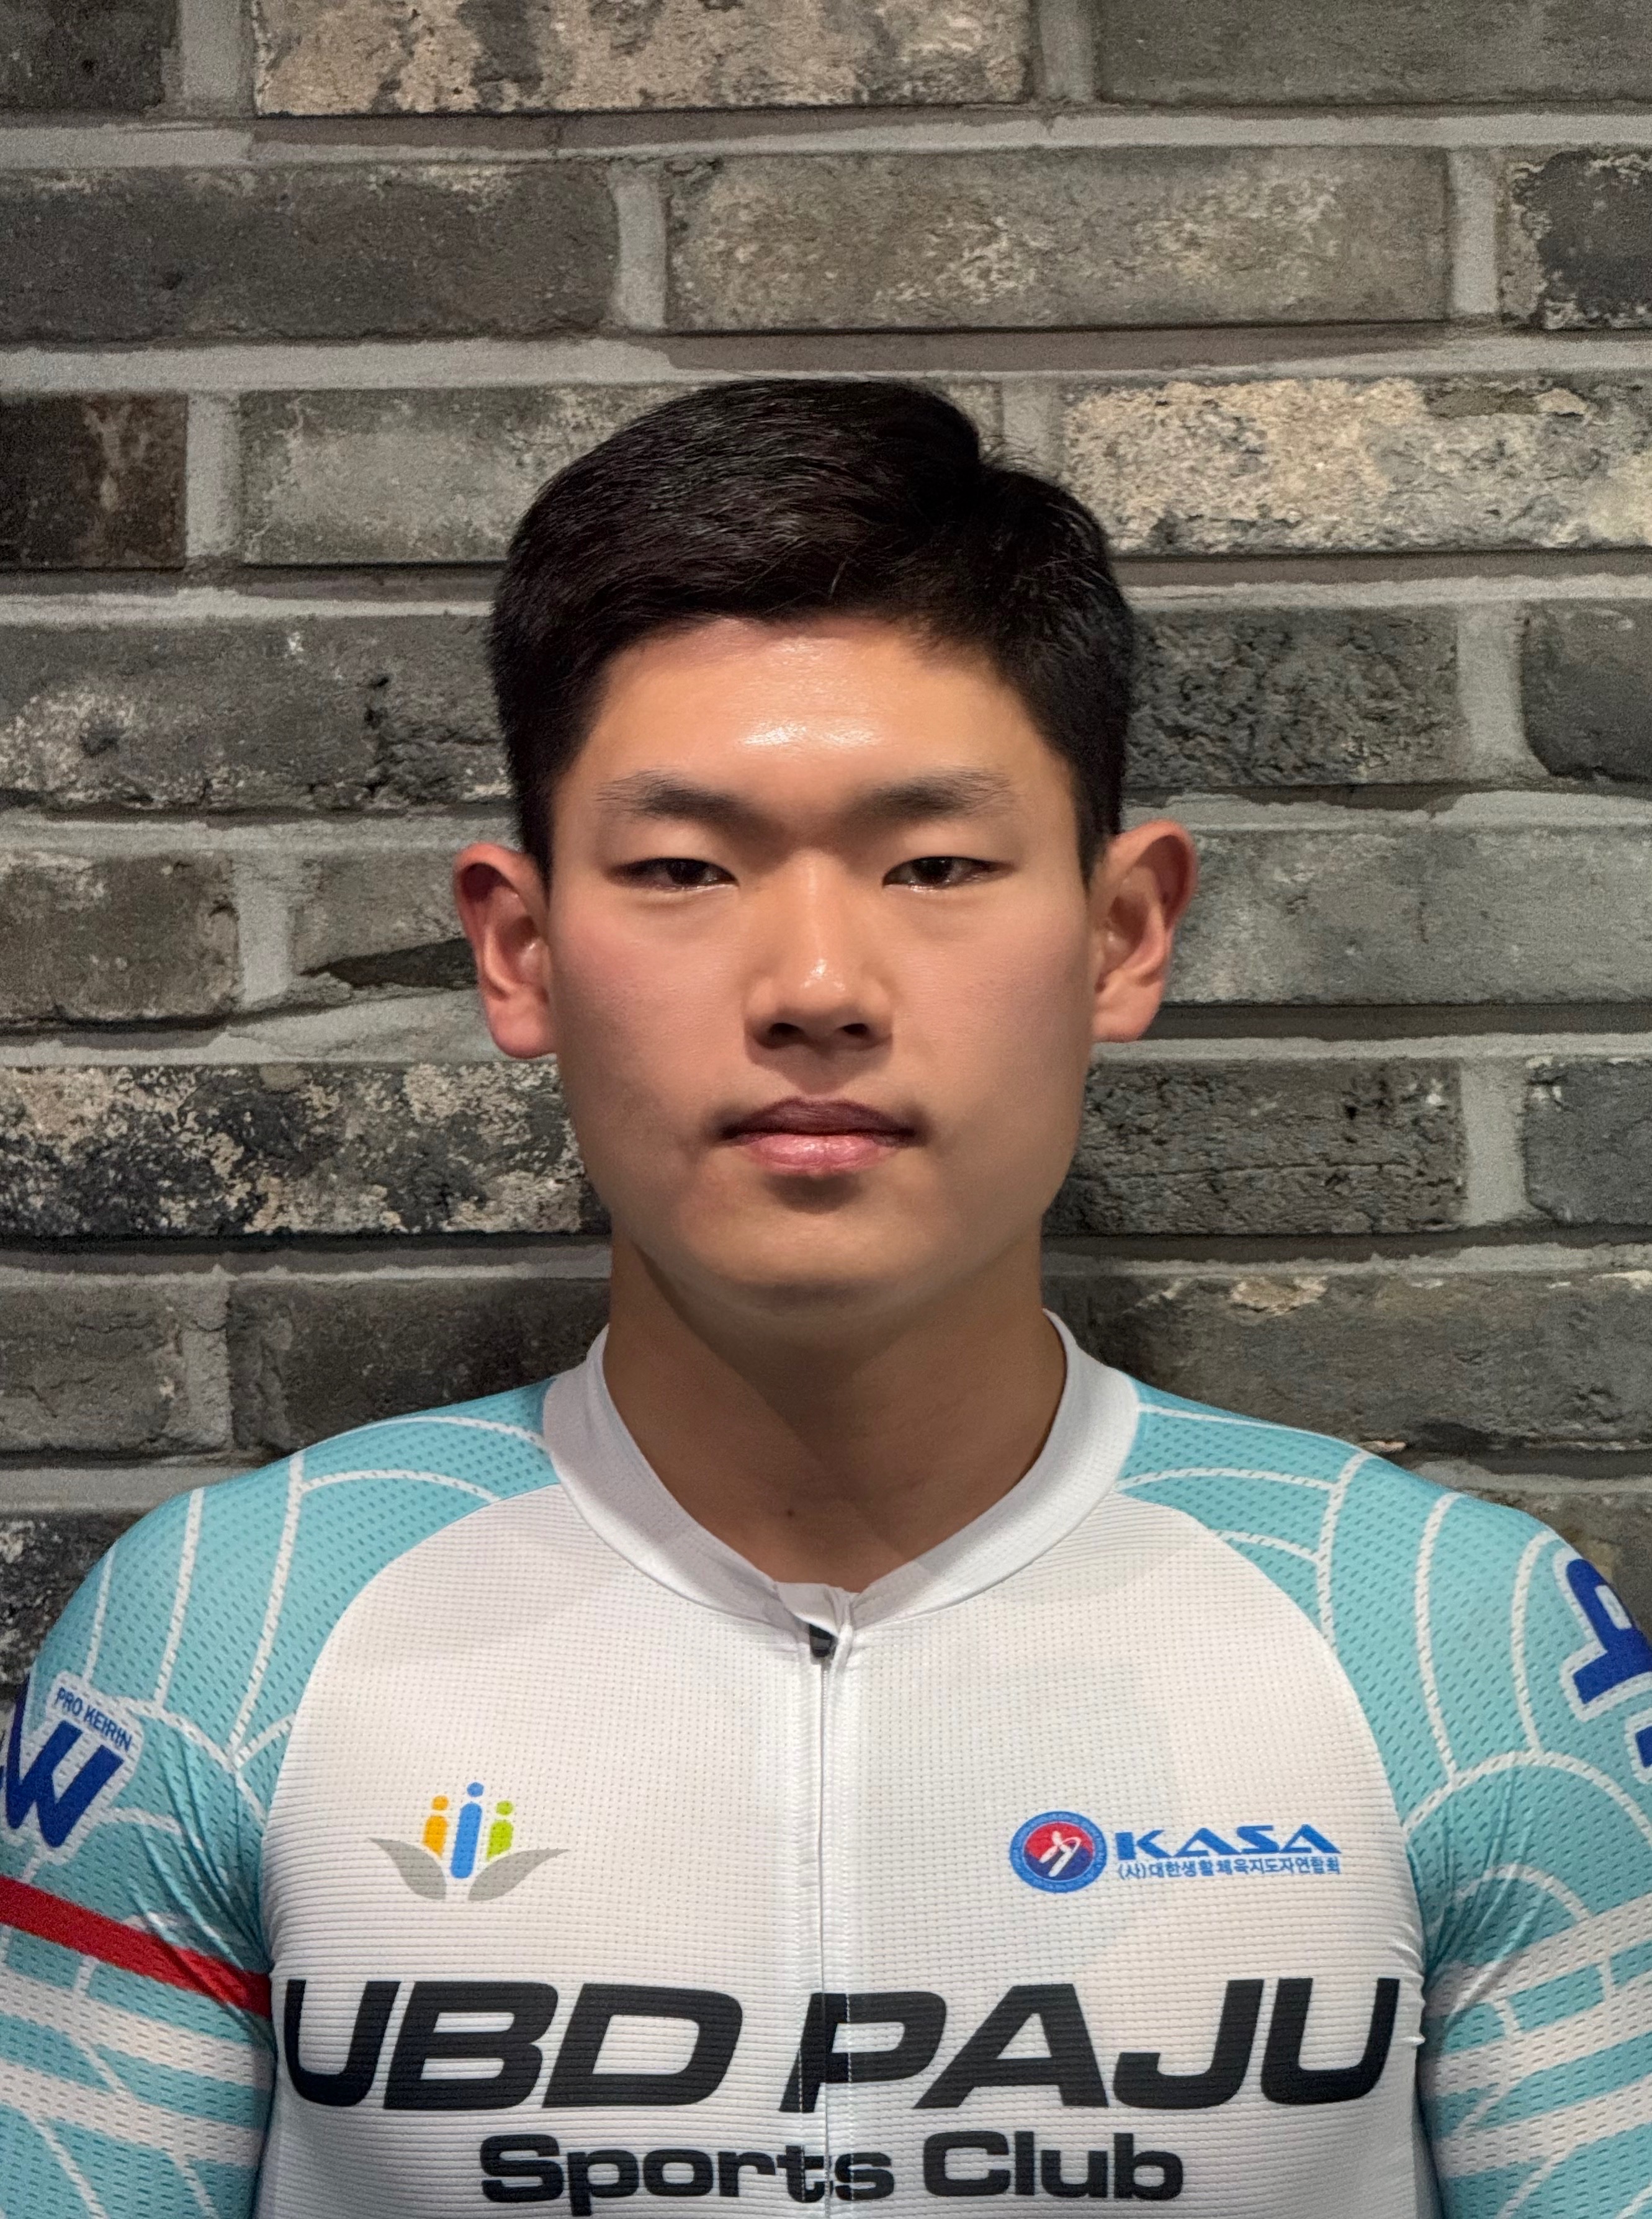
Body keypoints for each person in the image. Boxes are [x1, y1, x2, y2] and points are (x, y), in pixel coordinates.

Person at [0, 380, 1646, 2218]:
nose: (813, 985)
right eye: (682, 869)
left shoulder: (1461, 1651)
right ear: (520, 950)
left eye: (934, 865)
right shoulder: (223, 1644)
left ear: (1122, 934)